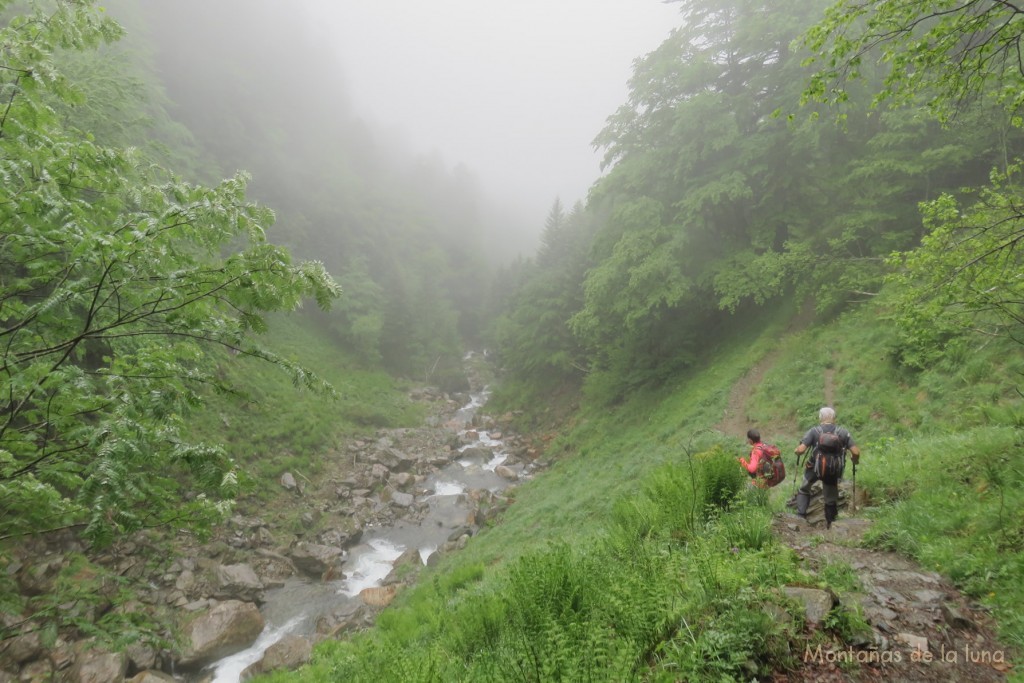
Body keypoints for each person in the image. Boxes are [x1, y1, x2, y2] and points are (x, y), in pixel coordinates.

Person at [794, 407, 860, 528]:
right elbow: (855, 452)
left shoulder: (814, 431)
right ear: (834, 418)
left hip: (814, 467)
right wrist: (855, 460)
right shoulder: (843, 432)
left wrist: (797, 451)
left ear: (820, 418)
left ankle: (801, 516)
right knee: (830, 497)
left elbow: (801, 450)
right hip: (832, 469)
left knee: (804, 489)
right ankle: (831, 523)